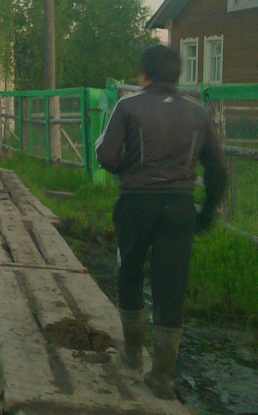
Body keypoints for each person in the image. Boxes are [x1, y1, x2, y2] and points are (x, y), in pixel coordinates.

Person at [94, 44, 228, 400]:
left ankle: (133, 353)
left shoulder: (128, 106)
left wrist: (127, 170)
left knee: (130, 271)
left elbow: (106, 154)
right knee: (170, 283)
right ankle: (163, 377)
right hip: (180, 206)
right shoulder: (198, 114)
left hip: (136, 202)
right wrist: (206, 211)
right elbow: (217, 169)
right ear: (177, 75)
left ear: (144, 74)